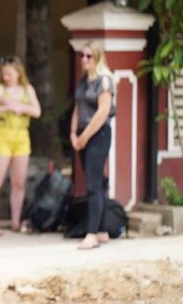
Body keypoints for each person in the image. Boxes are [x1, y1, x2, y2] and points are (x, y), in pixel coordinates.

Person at [0, 56, 41, 235]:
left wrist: (18, 106)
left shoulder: (27, 89)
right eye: (3, 74)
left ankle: (16, 221)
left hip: (21, 138)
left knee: (19, 182)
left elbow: (37, 111)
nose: (6, 77)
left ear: (18, 73)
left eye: (9, 73)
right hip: (2, 137)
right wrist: (6, 107)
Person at [70, 41, 116, 249]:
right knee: (95, 181)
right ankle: (102, 230)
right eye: (82, 55)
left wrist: (85, 136)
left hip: (98, 135)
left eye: (89, 56)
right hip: (83, 135)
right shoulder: (83, 81)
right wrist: (73, 133)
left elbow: (102, 112)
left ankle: (92, 234)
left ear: (98, 57)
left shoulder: (104, 80)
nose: (84, 59)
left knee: (93, 184)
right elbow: (78, 108)